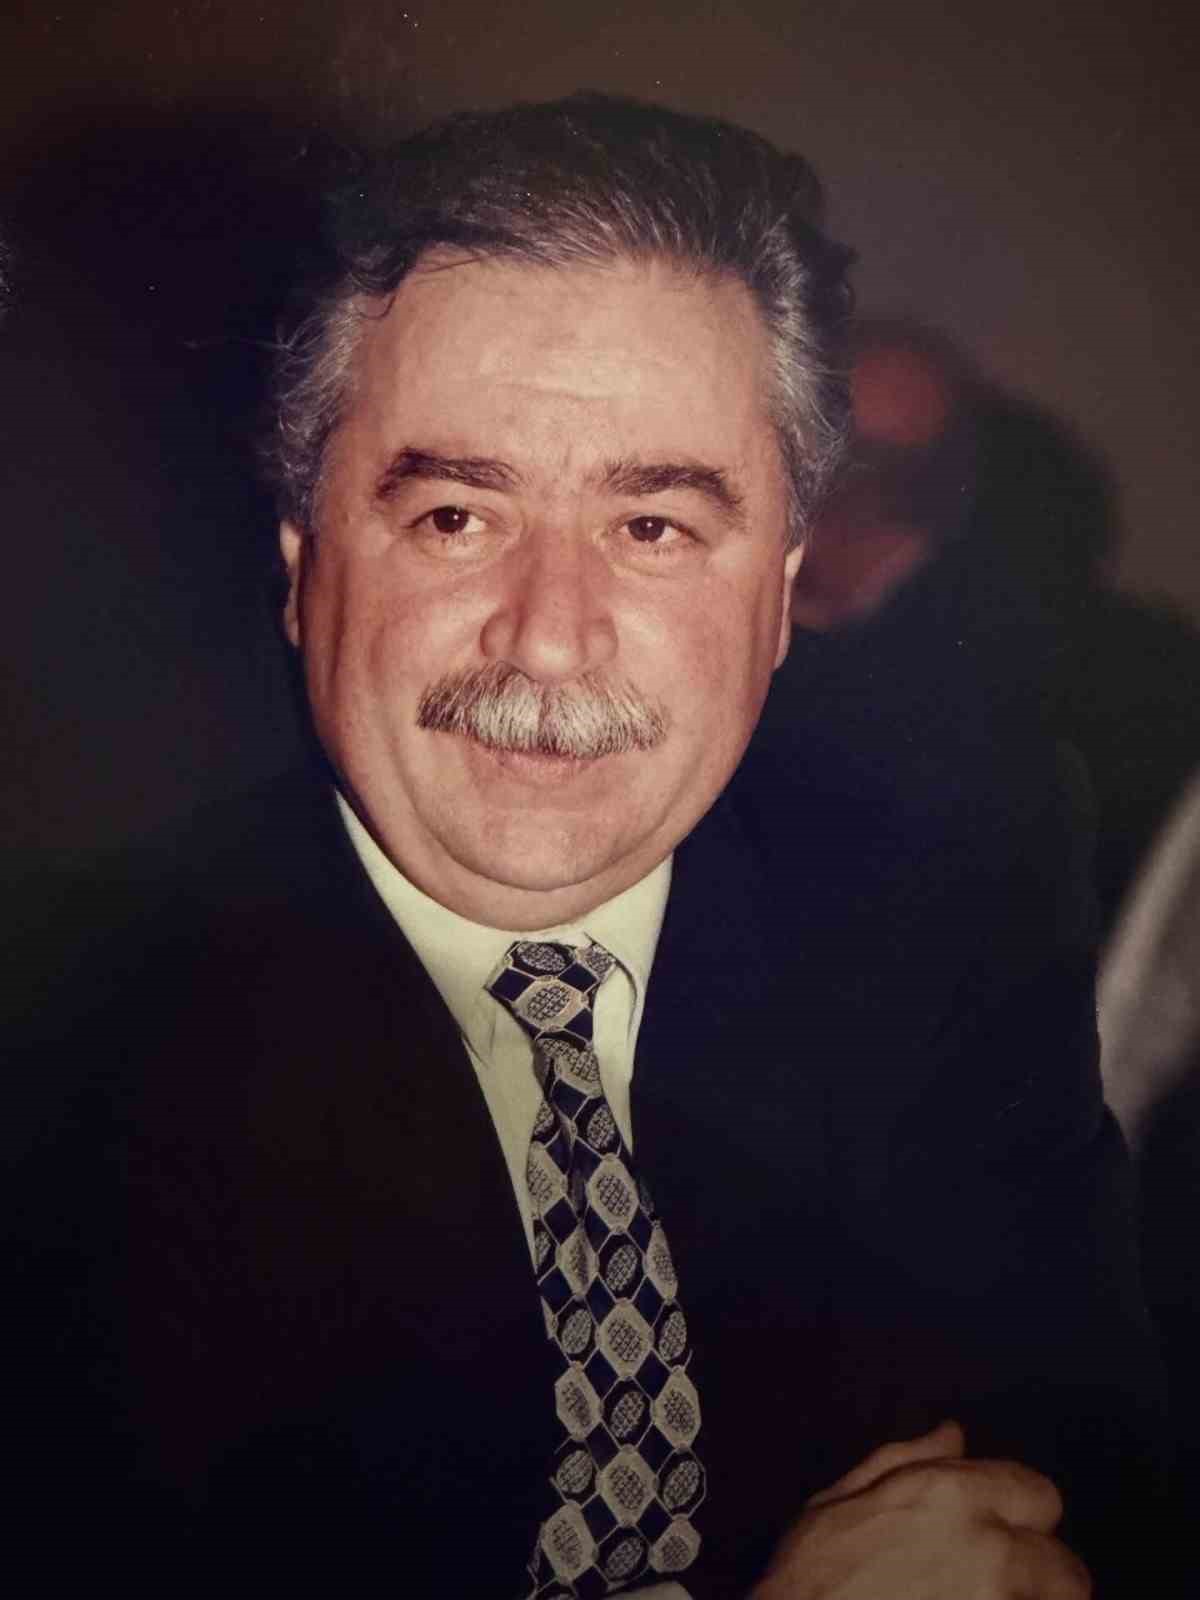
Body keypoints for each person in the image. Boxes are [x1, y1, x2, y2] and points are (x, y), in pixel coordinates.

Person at [6, 96, 1163, 1597]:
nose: (549, 640)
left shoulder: (949, 884)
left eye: (653, 529)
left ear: (783, 591)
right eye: (455, 518)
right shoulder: (59, 1043)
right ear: (301, 568)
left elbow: (1099, 1479)